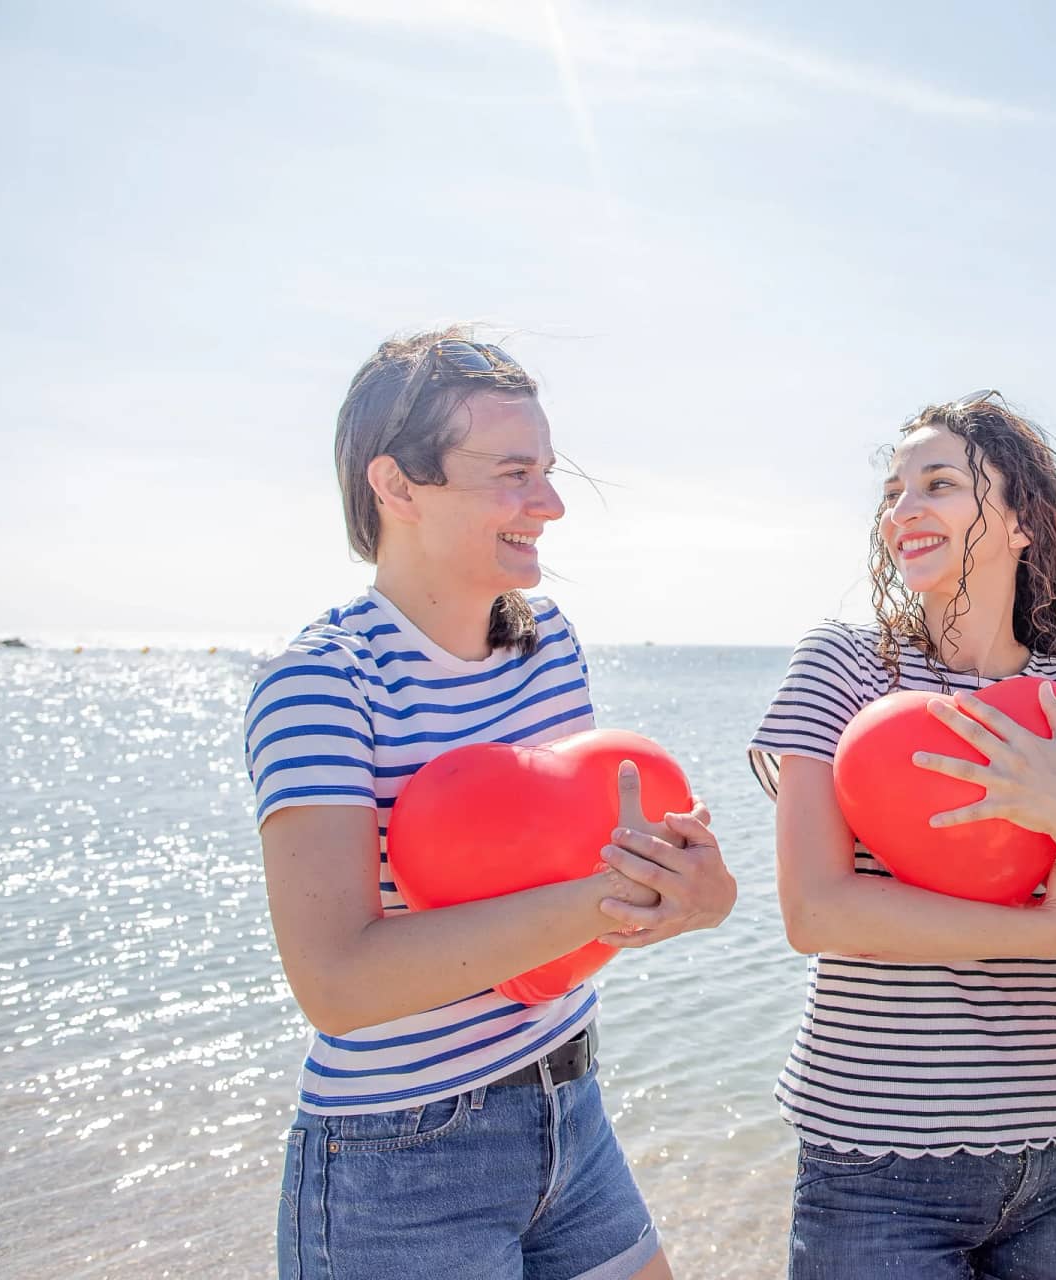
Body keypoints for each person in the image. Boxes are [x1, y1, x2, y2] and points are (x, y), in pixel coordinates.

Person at [243, 328, 736, 1280]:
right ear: (396, 487)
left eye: (548, 473)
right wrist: (613, 896)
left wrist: (690, 897)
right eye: (513, 474)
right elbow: (337, 982)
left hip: (569, 1105)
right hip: (397, 1163)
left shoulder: (549, 642)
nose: (548, 505)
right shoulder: (319, 682)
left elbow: (561, 896)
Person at [747, 392, 1056, 1279]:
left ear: (1020, 523)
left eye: (938, 484)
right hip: (873, 1160)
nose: (905, 510)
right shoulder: (840, 665)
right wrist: (1041, 930)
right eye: (895, 492)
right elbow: (815, 911)